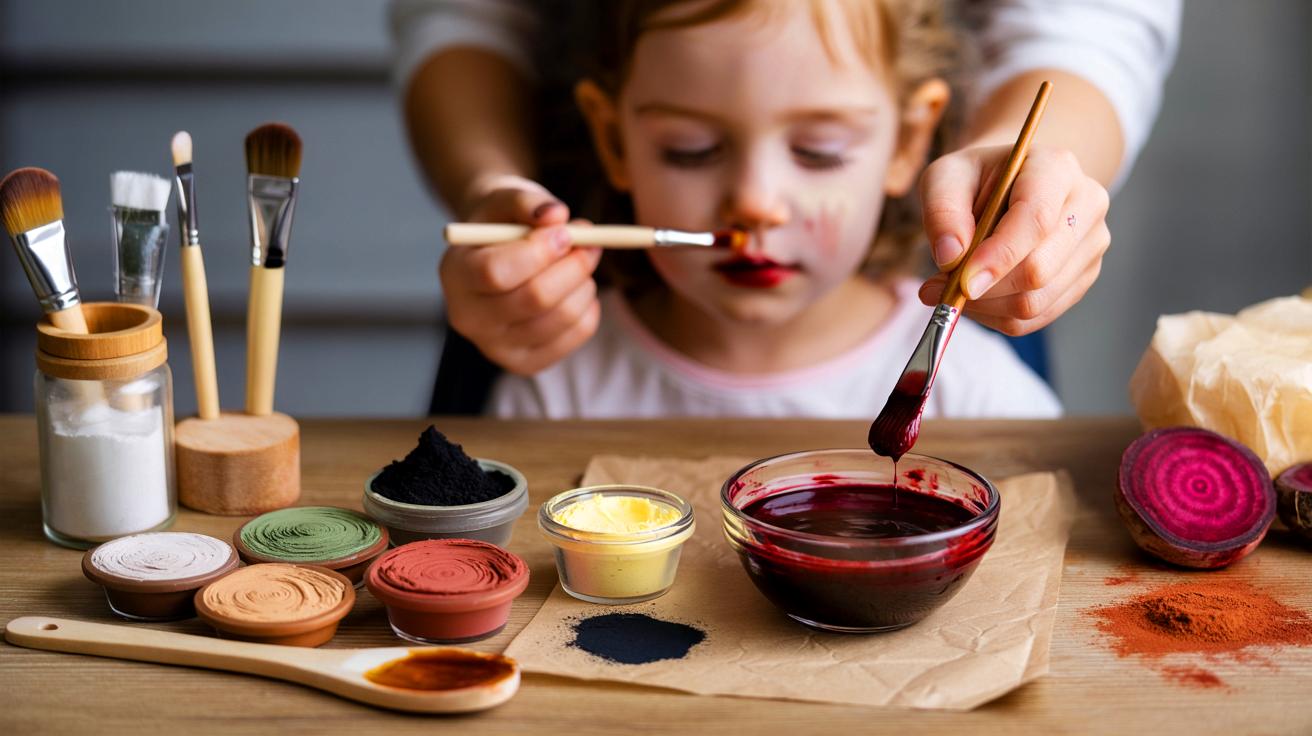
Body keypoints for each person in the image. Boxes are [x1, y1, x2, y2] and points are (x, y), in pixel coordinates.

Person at [390, 0, 1180, 417]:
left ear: (909, 142)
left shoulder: (976, 391)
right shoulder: (553, 389)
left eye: (819, 151)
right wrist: (491, 185)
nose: (756, 204)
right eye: (691, 149)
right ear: (613, 138)